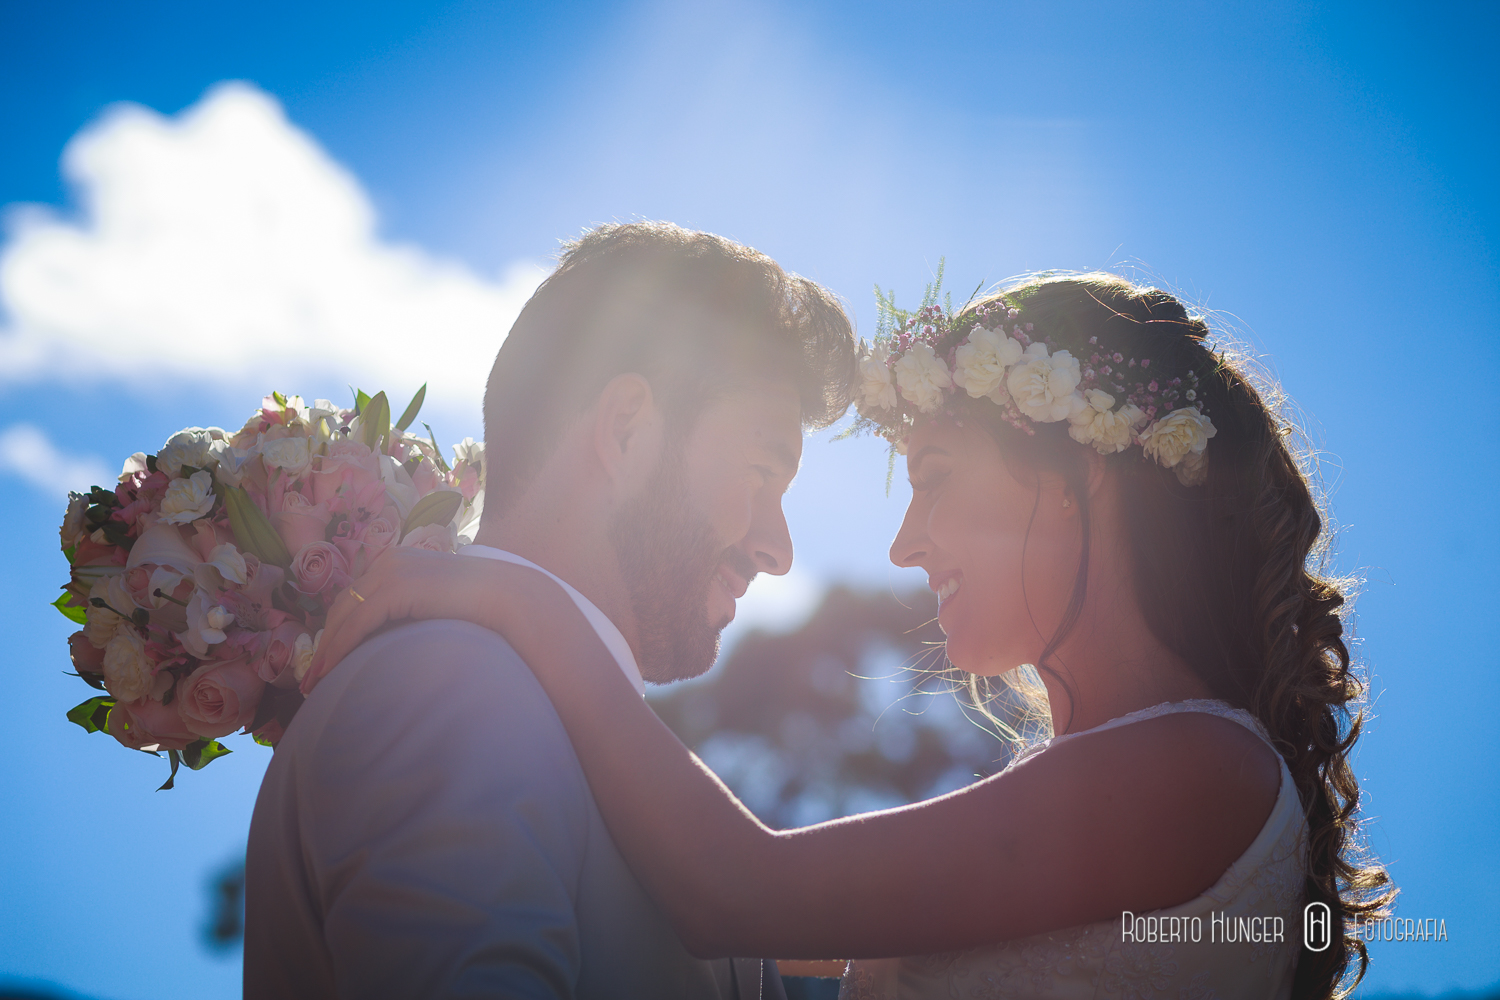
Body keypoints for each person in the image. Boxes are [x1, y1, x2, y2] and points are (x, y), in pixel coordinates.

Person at [310, 273, 1396, 999]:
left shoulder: (1192, 766)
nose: (906, 541)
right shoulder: (1136, 776)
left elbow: (735, 890)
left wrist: (519, 602)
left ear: (1080, 482)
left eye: (934, 478)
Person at [244, 220, 859, 999]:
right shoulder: (448, 688)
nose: (778, 548)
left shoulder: (607, 750)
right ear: (627, 429)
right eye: (761, 474)